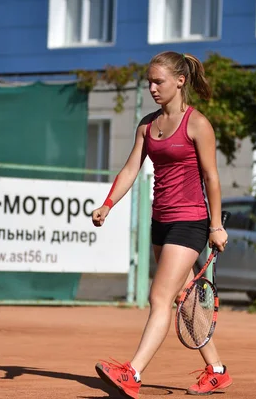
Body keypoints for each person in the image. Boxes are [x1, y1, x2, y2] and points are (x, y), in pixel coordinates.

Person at [90, 51, 232, 398]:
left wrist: (215, 226)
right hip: (162, 222)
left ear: (180, 81)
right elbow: (129, 170)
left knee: (159, 297)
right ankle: (216, 371)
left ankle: (132, 373)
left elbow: (212, 178)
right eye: (149, 81)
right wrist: (107, 204)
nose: (152, 87)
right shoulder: (147, 125)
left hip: (191, 222)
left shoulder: (198, 124)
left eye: (159, 81)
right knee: (184, 298)